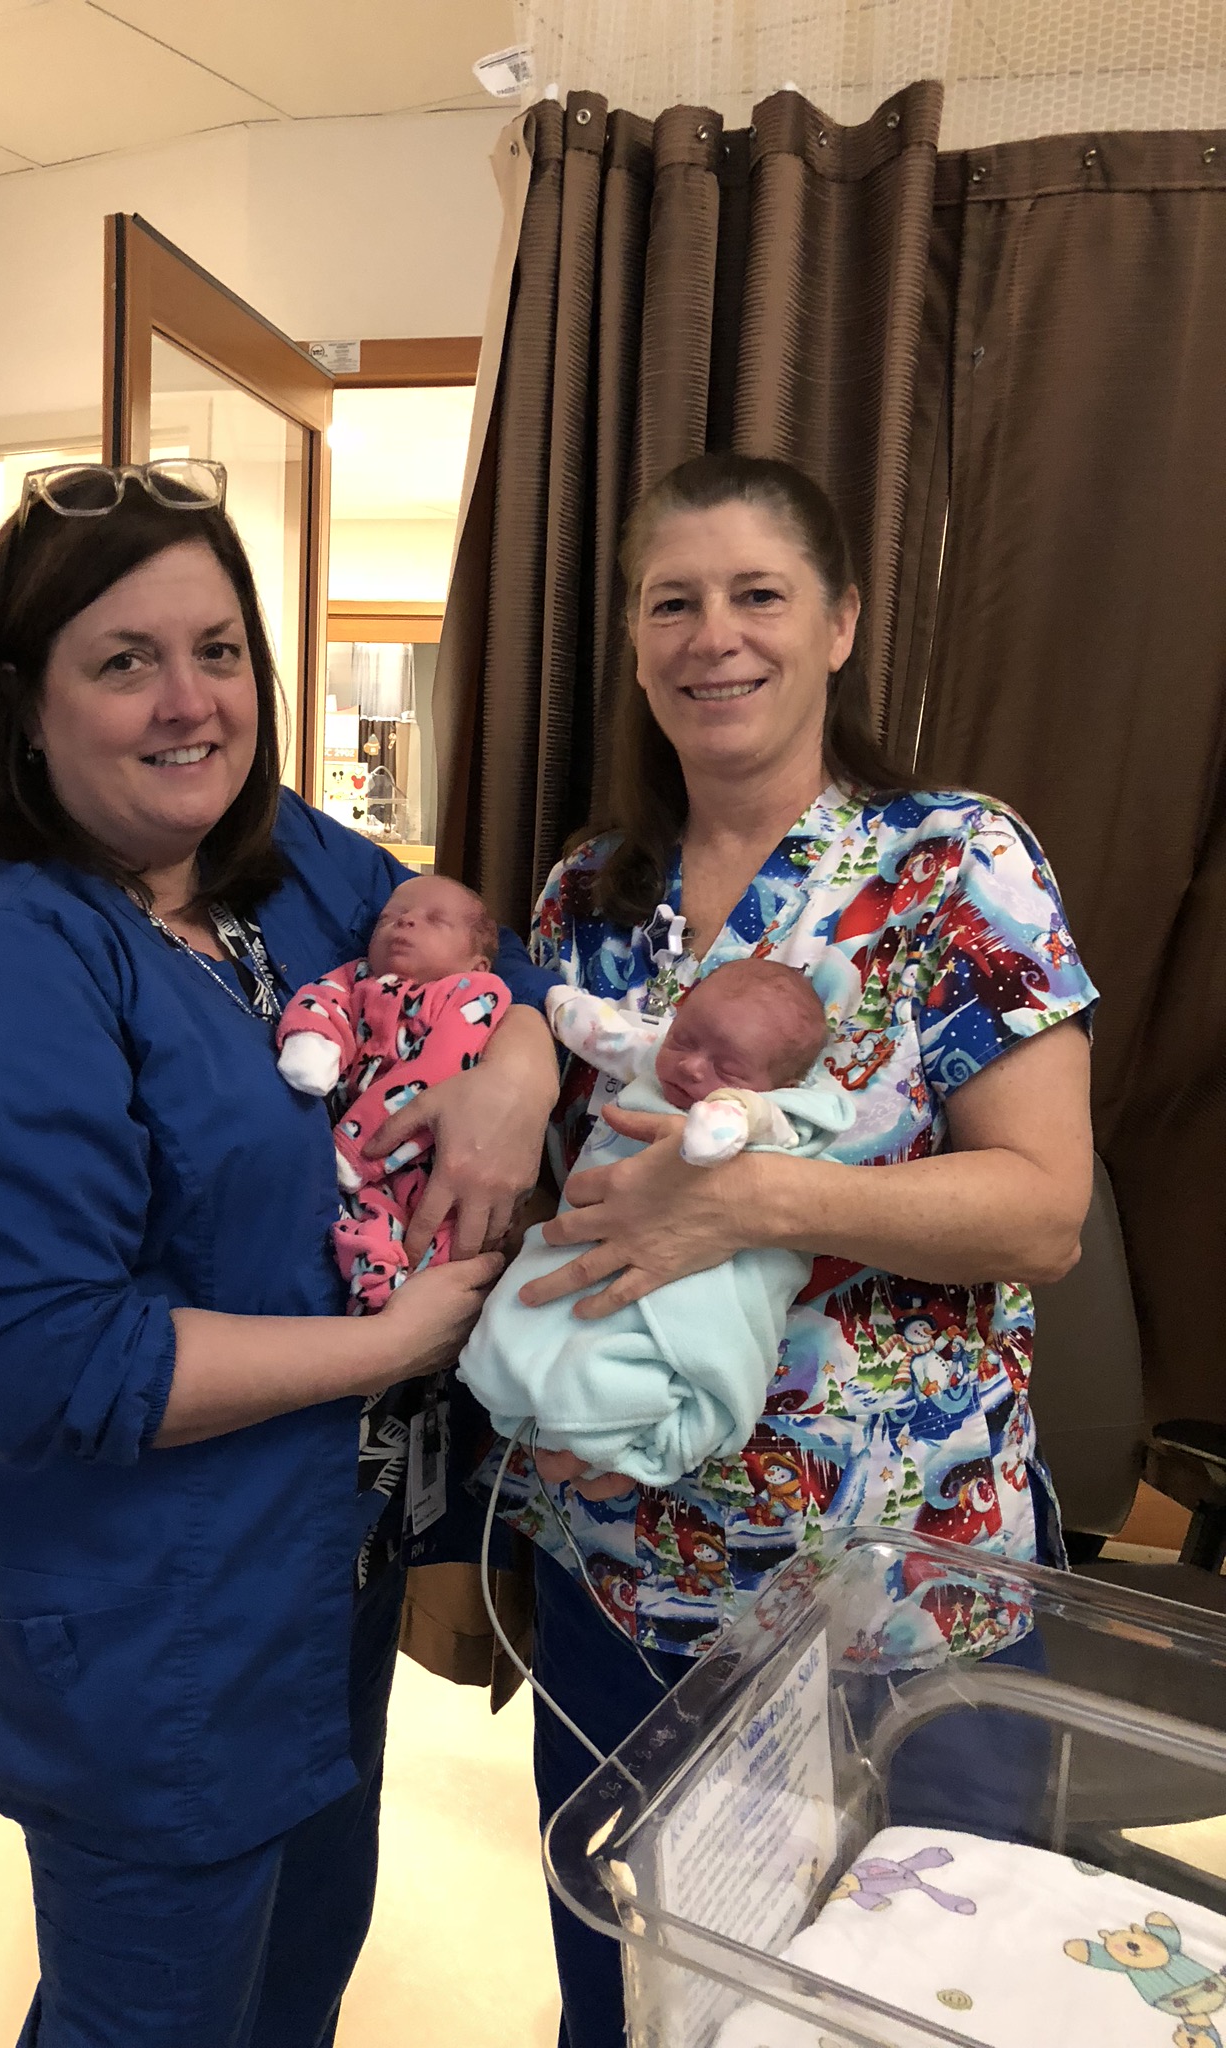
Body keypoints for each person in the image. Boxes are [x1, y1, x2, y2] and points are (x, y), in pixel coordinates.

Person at [0, 460, 559, 2048]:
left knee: (297, 1988)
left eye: (219, 651)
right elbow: (51, 1361)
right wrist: (398, 1341)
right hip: (148, 1643)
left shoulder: (289, 864)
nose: (190, 703)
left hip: (317, 1595)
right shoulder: (7, 959)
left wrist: (517, 1072)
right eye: (124, 660)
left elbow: (494, 958)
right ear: (25, 704)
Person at [482, 450, 1097, 2048]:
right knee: (636, 2010)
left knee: (898, 2016)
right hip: (621, 1588)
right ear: (631, 642)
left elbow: (1043, 1207)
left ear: (838, 625)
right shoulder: (588, 898)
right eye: (671, 601)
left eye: (759, 594)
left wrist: (768, 1202)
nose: (715, 636)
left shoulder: (954, 867)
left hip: (897, 1604)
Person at [457, 960, 854, 1487]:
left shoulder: (783, 1112)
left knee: (636, 1358)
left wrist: (729, 1114)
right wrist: (555, 1006)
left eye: (728, 1069)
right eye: (684, 1039)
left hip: (702, 1277)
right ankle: (531, 1394)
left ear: (784, 1081)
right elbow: (607, 1035)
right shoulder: (658, 1063)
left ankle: (629, 1423)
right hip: (590, 1241)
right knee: (522, 1326)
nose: (691, 1068)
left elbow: (761, 1123)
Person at [276, 873, 511, 1312]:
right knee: (366, 1223)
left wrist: (355, 1146)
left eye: (434, 921)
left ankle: (414, 1309)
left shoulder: (475, 991)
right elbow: (320, 1001)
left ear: (477, 963)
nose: (404, 924)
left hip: (429, 1153)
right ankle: (375, 1291)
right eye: (391, 917)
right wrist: (314, 1043)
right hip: (360, 1172)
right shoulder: (357, 978)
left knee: (442, 1239)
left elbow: (437, 1070)